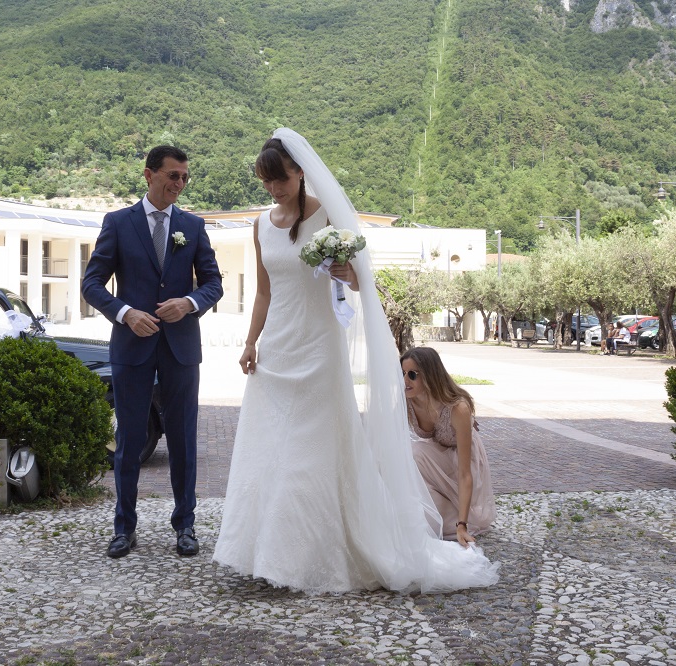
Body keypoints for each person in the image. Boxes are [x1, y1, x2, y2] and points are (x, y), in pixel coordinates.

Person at [213, 128, 499, 594]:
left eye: (280, 180)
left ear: (300, 172)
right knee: (268, 448)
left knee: (309, 455)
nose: (274, 190)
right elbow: (264, 291)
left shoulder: (330, 217)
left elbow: (363, 285)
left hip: (319, 348)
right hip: (278, 348)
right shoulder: (261, 224)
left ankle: (304, 559)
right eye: (266, 183)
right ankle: (264, 552)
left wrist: (347, 272)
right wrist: (250, 342)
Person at [82, 145, 223, 559]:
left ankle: (186, 526)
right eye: (172, 176)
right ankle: (124, 528)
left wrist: (190, 303)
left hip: (181, 348)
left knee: (183, 439)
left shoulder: (193, 227)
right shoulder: (118, 223)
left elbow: (213, 283)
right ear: (149, 175)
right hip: (132, 347)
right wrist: (124, 313)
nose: (179, 184)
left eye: (185, 177)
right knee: (127, 439)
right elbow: (92, 284)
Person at [400, 347, 496, 547]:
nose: (405, 381)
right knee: (411, 457)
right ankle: (440, 512)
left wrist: (461, 525)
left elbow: (465, 473)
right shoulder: (406, 400)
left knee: (415, 452)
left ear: (429, 375)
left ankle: (459, 519)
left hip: (463, 461)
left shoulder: (457, 408)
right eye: (401, 373)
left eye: (412, 375)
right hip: (438, 454)